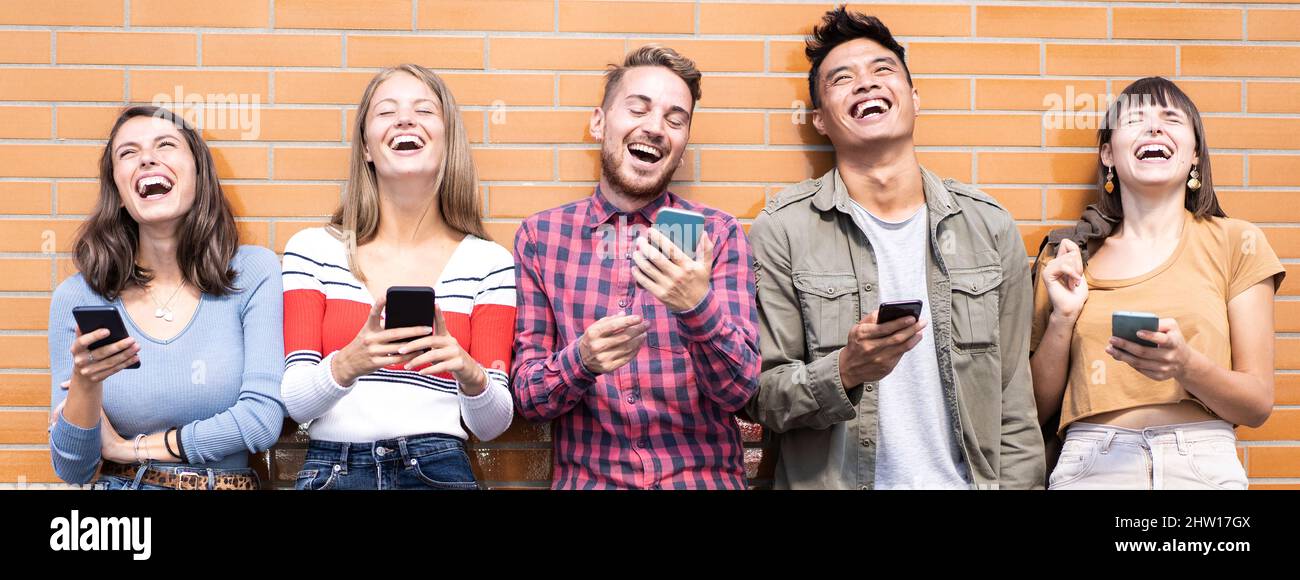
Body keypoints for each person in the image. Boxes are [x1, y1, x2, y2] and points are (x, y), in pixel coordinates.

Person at [745, 7, 1044, 489]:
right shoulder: (782, 231)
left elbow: (1014, 404)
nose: (865, 83)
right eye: (842, 78)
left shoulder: (988, 227)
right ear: (819, 119)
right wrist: (845, 370)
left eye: (882, 70)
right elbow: (761, 395)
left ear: (914, 98)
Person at [511, 45, 761, 489]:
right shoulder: (541, 239)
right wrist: (581, 361)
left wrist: (696, 307)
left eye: (675, 119)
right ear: (598, 122)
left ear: (683, 145)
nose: (655, 128)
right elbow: (528, 398)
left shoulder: (718, 236)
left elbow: (740, 392)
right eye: (638, 109)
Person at [1031, 77, 1282, 490]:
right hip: (1091, 465)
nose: (1154, 127)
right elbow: (1036, 410)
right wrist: (1063, 318)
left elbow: (1257, 404)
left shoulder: (1238, 242)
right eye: (1135, 119)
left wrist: (1186, 366)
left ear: (1195, 154)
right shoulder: (1067, 256)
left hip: (1201, 463)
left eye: (1171, 118)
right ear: (1108, 153)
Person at [281, 64, 516, 490]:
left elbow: (491, 425)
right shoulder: (313, 250)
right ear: (367, 148)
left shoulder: (489, 263)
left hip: (439, 467)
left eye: (424, 110)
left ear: (448, 143)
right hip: (333, 470)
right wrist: (350, 362)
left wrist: (468, 371)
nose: (405, 119)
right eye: (386, 112)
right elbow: (295, 402)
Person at [48, 105, 285, 490]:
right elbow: (72, 468)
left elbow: (261, 421)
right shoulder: (78, 295)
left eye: (165, 145)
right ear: (120, 192)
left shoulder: (253, 272)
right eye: (128, 153)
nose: (146, 158)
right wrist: (85, 383)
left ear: (198, 174)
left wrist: (133, 449)